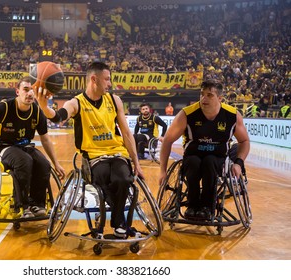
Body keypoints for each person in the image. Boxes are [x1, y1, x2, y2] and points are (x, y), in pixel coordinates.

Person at [36, 61, 144, 238]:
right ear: (94, 79)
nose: (110, 83)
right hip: (93, 158)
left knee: (123, 180)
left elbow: (126, 132)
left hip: (117, 154)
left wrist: (136, 163)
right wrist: (44, 107)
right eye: (107, 79)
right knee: (103, 182)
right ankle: (121, 223)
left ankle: (117, 223)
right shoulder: (76, 103)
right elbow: (59, 117)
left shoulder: (114, 100)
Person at [158, 80, 250, 220]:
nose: (203, 98)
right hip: (193, 155)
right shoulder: (187, 114)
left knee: (210, 161)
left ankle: (207, 206)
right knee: (194, 162)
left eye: (209, 95)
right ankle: (192, 205)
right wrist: (162, 171)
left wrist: (238, 163)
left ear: (220, 98)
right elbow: (167, 141)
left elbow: (244, 141)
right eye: (202, 94)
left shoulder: (232, 115)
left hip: (217, 158)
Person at [0, 76, 65, 218]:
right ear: (17, 92)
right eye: (26, 89)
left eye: (32, 91)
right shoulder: (4, 107)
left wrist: (56, 163)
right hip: (2, 147)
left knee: (43, 164)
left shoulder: (36, 111)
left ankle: (37, 204)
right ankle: (21, 206)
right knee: (24, 161)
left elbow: (46, 139)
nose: (30, 93)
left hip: (24, 147)